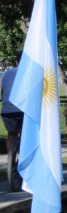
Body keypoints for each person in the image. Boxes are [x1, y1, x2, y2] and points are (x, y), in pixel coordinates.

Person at [1, 53, 23, 192]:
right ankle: (23, 159)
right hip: (23, 110)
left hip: (7, 110)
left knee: (12, 134)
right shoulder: (32, 73)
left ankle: (10, 156)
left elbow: (2, 90)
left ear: (16, 61)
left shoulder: (7, 73)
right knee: (29, 135)